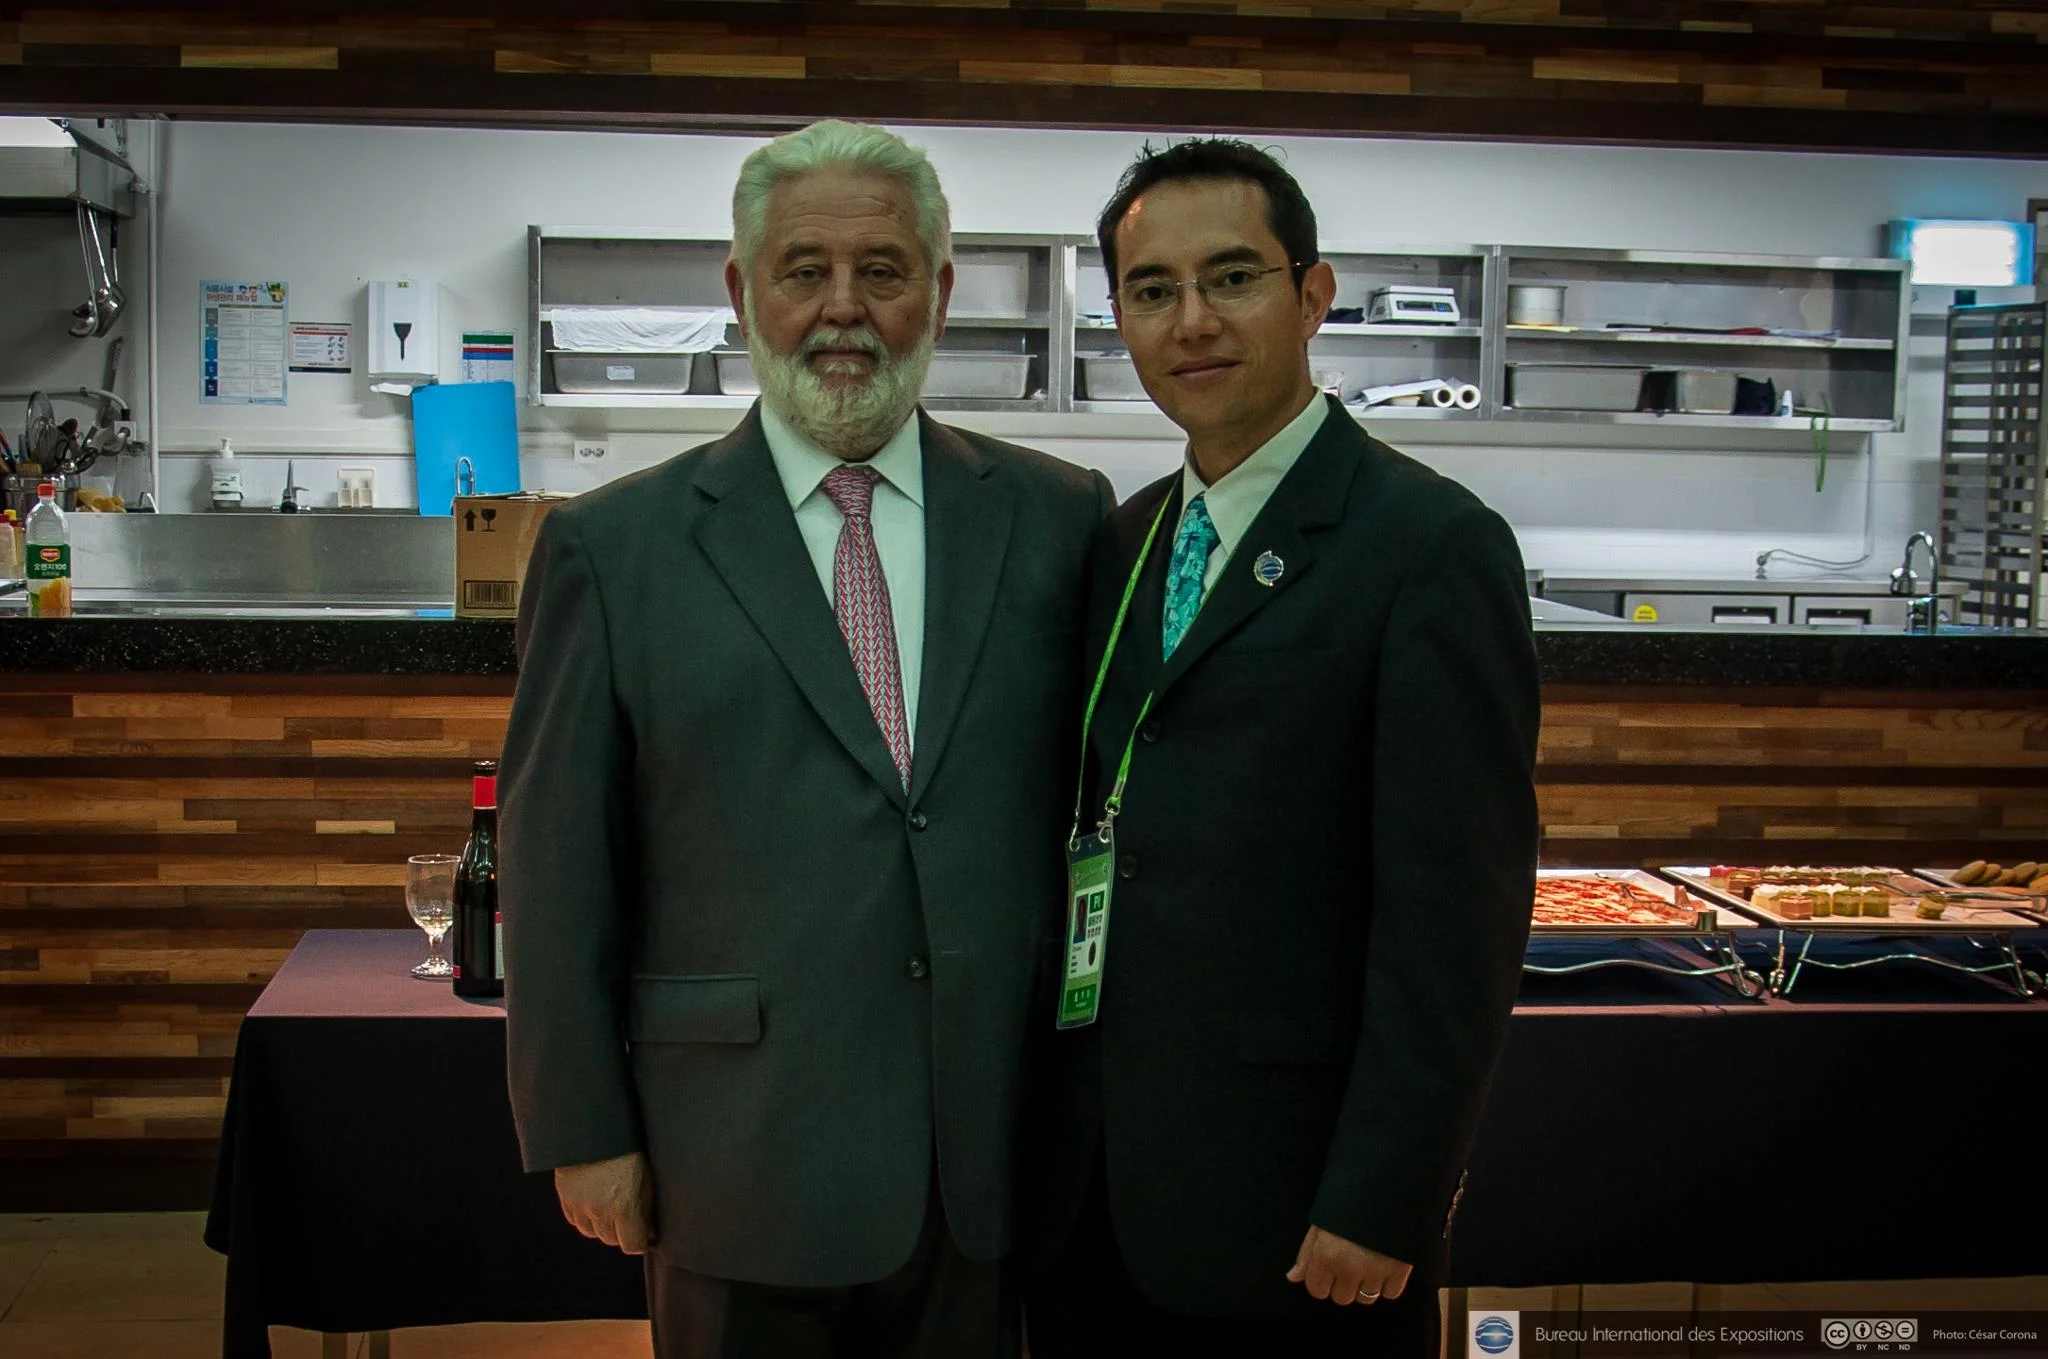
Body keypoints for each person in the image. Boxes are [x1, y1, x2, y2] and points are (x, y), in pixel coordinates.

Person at [501, 119, 1113, 1359]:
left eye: (882, 270)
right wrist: (581, 1126)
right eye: (803, 270)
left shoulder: (1058, 521)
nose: (844, 309)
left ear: (936, 293)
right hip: (732, 1154)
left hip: (983, 1150)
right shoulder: (613, 550)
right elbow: (558, 863)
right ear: (742, 292)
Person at [1025, 139, 1540, 1358]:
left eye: (1232, 278)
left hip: (1301, 1219)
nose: (1190, 322)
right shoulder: (1128, 537)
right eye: (1152, 291)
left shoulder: (1426, 547)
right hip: (1094, 1196)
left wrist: (1383, 1196)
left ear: (1311, 296)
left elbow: (1453, 923)